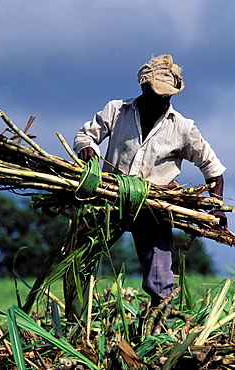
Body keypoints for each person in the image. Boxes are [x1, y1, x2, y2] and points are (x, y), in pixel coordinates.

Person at [73, 54, 227, 306]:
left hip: (154, 206)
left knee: (159, 278)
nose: (161, 102)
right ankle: (78, 313)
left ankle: (161, 321)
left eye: (166, 97)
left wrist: (216, 207)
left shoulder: (183, 128)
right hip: (110, 198)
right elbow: (85, 135)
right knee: (82, 258)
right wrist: (87, 148)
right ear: (143, 87)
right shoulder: (117, 110)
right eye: (156, 95)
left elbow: (213, 169)